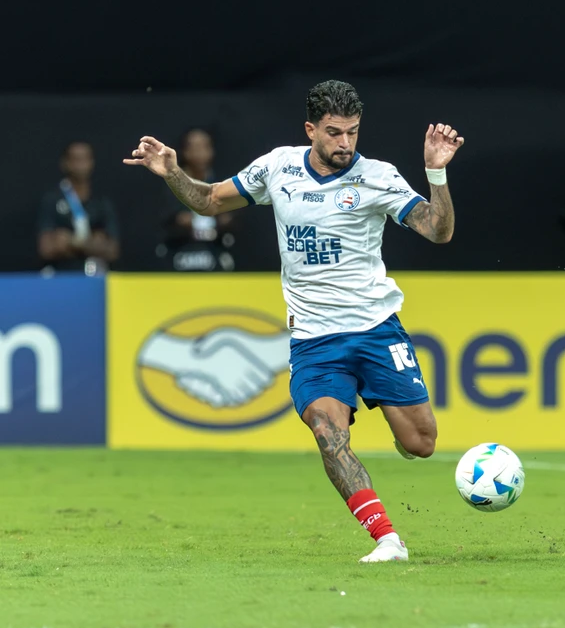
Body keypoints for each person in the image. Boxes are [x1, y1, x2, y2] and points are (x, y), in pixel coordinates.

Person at [125, 80, 462, 564]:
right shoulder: (276, 167)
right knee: (327, 430)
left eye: (352, 132)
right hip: (313, 339)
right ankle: (387, 539)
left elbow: (438, 231)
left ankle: (397, 429)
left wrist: (436, 172)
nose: (345, 143)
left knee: (422, 443)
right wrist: (171, 172)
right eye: (333, 132)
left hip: (375, 328)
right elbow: (209, 200)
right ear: (311, 130)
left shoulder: (378, 176)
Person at [37, 141, 120, 275]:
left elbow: (113, 251)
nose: (80, 165)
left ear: (92, 162)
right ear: (65, 163)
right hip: (60, 275)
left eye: (84, 159)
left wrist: (70, 241)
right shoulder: (52, 200)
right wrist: (93, 243)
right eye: (75, 159)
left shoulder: (101, 202)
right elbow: (46, 249)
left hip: (95, 277)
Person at [159, 129, 237, 271]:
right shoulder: (173, 183)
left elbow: (228, 217)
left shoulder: (223, 183)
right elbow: (174, 218)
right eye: (195, 148)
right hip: (180, 252)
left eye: (205, 147)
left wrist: (203, 222)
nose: (201, 153)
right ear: (185, 152)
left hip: (216, 252)